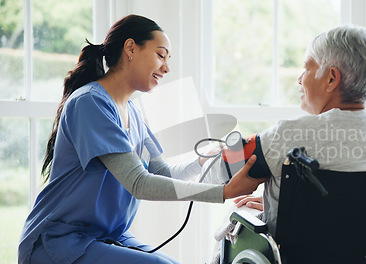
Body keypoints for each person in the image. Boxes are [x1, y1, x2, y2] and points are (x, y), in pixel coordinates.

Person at [18, 14, 265, 264]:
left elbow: (163, 174)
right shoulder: (90, 102)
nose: (166, 68)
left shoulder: (133, 112)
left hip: (106, 236)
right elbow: (139, 183)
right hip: (59, 241)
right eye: (161, 55)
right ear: (131, 48)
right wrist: (224, 192)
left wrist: (202, 162)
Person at [203, 24, 366, 239]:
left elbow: (220, 171)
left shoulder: (288, 136)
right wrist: (278, 207)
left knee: (236, 214)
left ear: (331, 79)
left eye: (307, 68)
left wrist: (218, 154)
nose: (299, 80)